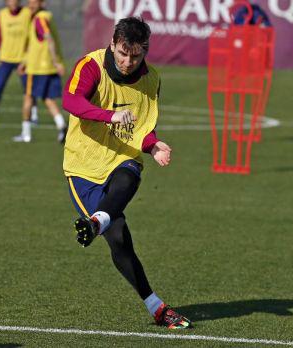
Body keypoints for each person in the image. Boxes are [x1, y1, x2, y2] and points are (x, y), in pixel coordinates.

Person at [62, 17, 192, 329]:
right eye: (123, 53)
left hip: (122, 156)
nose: (128, 61)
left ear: (145, 50)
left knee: (130, 173)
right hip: (83, 166)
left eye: (136, 55)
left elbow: (142, 129)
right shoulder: (91, 66)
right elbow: (71, 100)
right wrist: (109, 115)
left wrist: (153, 145)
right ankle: (156, 307)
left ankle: (98, 220)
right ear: (113, 44)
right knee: (119, 238)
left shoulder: (151, 79)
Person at [12, 0, 67, 143]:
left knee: (28, 98)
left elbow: (48, 39)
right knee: (48, 99)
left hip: (38, 68)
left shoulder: (40, 18)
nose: (30, 5)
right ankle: (62, 126)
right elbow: (37, 44)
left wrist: (56, 62)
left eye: (34, 2)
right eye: (29, 2)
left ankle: (26, 134)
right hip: (48, 67)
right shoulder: (47, 16)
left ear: (42, 3)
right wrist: (24, 61)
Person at [0, 0, 39, 126]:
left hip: (23, 60)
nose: (13, 2)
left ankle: (34, 116)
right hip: (6, 58)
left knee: (29, 90)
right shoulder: (2, 14)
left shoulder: (27, 13)